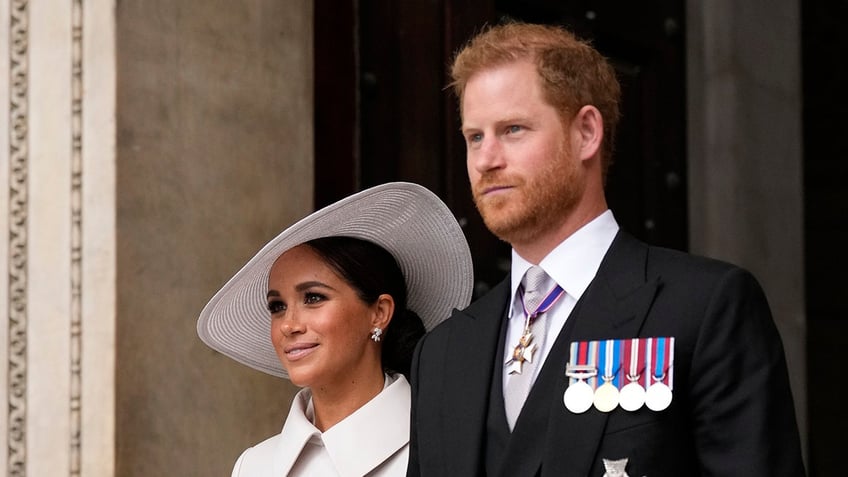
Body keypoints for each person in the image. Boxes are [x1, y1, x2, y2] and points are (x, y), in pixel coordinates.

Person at [407, 22, 806, 477]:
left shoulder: (705, 308)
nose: (485, 160)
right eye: (474, 136)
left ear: (586, 133)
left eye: (513, 129)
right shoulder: (441, 354)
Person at [197, 182, 473, 477]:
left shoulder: (450, 449)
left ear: (379, 313)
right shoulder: (254, 466)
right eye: (277, 306)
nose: (288, 325)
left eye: (313, 298)